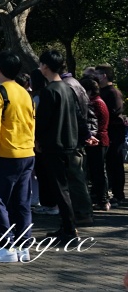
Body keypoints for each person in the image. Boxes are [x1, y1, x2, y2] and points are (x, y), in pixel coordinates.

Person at [0, 51, 36, 264]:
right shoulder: (24, 92)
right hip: (27, 152)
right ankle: (23, 246)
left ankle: (6, 245)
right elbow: (32, 122)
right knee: (21, 202)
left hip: (5, 154)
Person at [36, 49, 86, 244]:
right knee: (66, 187)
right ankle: (67, 225)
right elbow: (78, 116)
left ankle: (69, 228)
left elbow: (43, 121)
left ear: (46, 66)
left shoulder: (50, 91)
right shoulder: (68, 88)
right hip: (70, 143)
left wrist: (38, 140)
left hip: (54, 145)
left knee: (60, 189)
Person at [96, 65, 125, 206]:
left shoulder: (113, 93)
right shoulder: (103, 92)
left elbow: (114, 113)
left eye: (98, 74)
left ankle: (118, 195)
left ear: (104, 76)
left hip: (114, 133)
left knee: (115, 164)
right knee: (109, 165)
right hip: (107, 133)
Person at [81, 76, 110, 210]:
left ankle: (103, 199)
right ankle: (102, 198)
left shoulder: (95, 102)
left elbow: (93, 123)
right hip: (101, 138)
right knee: (98, 171)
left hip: (98, 140)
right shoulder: (99, 101)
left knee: (97, 171)